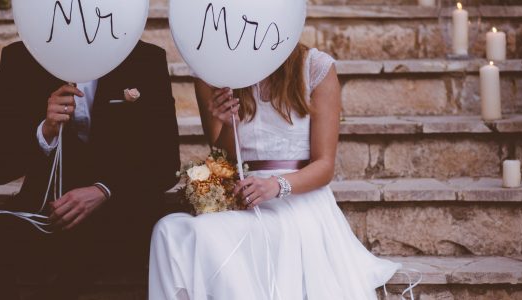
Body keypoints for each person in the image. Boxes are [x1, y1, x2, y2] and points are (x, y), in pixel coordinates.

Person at [149, 44, 400, 299]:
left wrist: (276, 185)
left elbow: (324, 166)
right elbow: (224, 158)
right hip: (243, 199)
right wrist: (229, 125)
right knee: (168, 231)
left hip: (299, 202)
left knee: (213, 237)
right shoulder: (213, 72)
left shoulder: (315, 67)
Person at [0, 40, 181, 299]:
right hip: (51, 212)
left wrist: (104, 190)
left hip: (119, 215)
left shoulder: (144, 59)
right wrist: (44, 130)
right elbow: (0, 167)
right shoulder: (21, 58)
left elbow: (167, 164)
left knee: (91, 243)